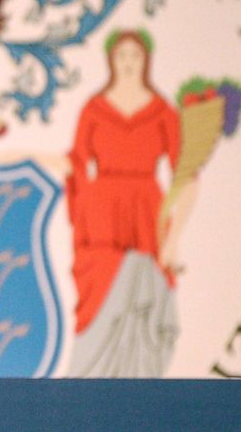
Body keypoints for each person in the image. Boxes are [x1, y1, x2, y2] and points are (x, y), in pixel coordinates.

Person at [66, 29, 180, 377]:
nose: (129, 63)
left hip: (147, 209)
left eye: (135, 56)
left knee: (145, 290)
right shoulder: (95, 108)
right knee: (106, 287)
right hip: (103, 213)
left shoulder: (161, 111)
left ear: (146, 60)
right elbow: (77, 161)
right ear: (111, 61)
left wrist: (172, 237)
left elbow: (182, 171)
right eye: (122, 56)